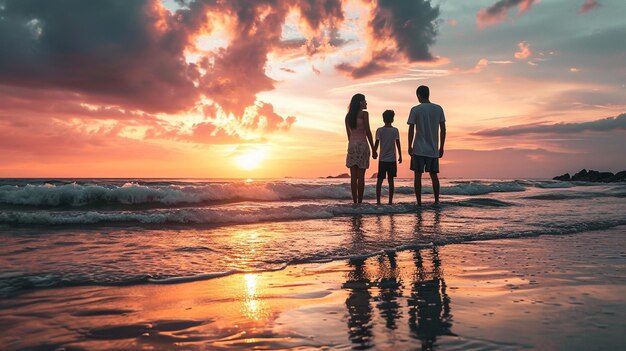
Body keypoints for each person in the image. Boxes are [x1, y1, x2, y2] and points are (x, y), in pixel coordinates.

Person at [407, 85, 446, 206]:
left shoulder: (415, 109)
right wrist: (441, 147)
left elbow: (411, 129)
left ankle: (419, 203)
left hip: (419, 148)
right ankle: (436, 201)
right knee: (434, 175)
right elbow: (443, 129)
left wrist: (409, 146)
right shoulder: (438, 108)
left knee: (417, 176)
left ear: (418, 95)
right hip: (433, 148)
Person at [345, 94, 376, 203]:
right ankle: (360, 203)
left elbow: (349, 136)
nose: (366, 103)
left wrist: (352, 145)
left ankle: (354, 202)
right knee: (361, 177)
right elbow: (368, 131)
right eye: (365, 101)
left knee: (353, 177)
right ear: (360, 102)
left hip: (352, 145)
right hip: (362, 144)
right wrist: (373, 148)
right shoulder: (364, 114)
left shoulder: (348, 116)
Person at [373, 110, 402, 204]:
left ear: (383, 119)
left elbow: (376, 143)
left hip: (382, 159)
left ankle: (378, 201)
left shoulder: (380, 130)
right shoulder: (395, 130)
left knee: (380, 180)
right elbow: (398, 144)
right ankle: (390, 202)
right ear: (392, 119)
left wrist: (374, 152)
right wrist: (400, 155)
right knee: (391, 180)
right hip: (392, 159)